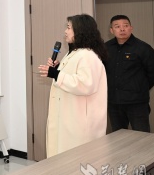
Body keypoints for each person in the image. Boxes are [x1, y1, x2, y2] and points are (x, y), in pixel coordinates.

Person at [38, 14, 108, 158]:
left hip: (79, 122)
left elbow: (85, 84)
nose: (65, 31)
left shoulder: (87, 55)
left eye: (69, 27)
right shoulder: (74, 54)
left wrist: (56, 74)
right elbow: (70, 77)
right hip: (69, 118)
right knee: (63, 158)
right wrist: (57, 70)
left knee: (76, 160)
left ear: (80, 30)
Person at [105, 15, 154, 132]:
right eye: (117, 26)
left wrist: (139, 87)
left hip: (137, 102)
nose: (122, 29)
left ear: (131, 28)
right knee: (118, 136)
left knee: (142, 136)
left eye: (125, 26)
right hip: (114, 102)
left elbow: (153, 73)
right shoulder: (106, 48)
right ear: (111, 30)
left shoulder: (143, 48)